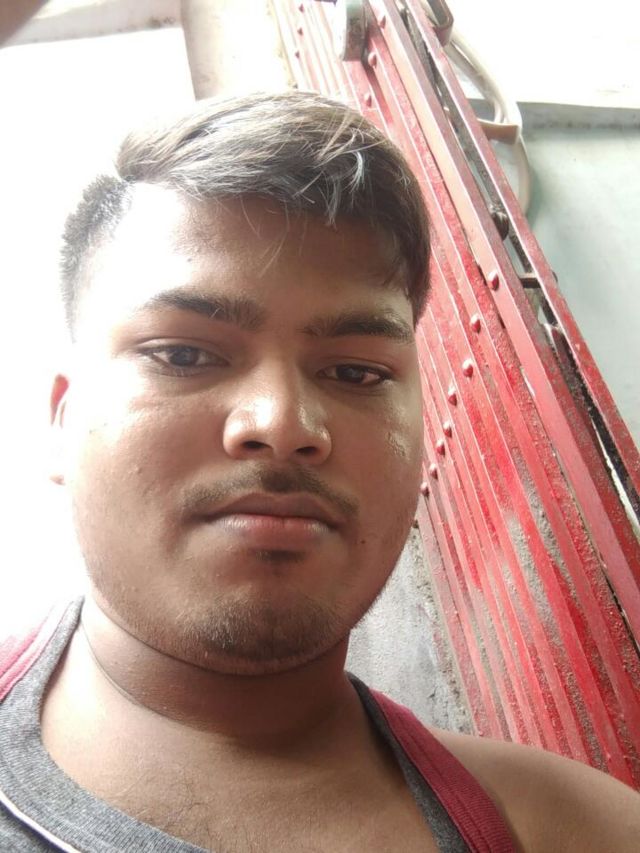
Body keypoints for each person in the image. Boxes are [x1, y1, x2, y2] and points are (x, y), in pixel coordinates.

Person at [1, 92, 638, 853]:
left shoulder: (576, 831)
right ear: (62, 422)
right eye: (184, 354)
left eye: (355, 371)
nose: (282, 424)